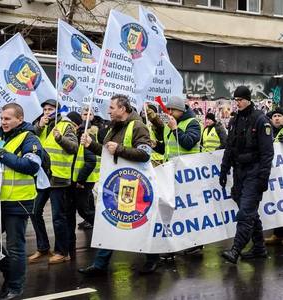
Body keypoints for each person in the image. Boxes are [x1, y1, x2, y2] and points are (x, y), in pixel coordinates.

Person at [78, 94, 160, 275]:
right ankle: (100, 265)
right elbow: (108, 152)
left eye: (112, 107)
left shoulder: (138, 126)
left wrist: (120, 149)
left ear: (123, 109)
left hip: (135, 185)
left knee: (138, 222)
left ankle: (153, 257)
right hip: (117, 184)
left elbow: (145, 154)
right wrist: (92, 145)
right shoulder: (113, 127)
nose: (108, 110)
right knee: (111, 222)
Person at [0, 103, 42, 299]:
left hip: (18, 202)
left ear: (20, 119)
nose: (3, 122)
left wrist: (1, 154)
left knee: (15, 247)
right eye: (2, 118)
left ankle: (15, 287)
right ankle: (11, 276)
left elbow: (30, 166)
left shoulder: (30, 138)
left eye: (8, 119)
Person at [219, 86, 274, 264]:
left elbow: (267, 153)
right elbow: (229, 147)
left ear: (248, 99)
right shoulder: (235, 121)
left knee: (245, 213)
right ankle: (259, 247)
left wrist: (263, 178)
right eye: (235, 100)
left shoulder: (260, 120)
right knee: (249, 212)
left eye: (240, 100)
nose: (238, 103)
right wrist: (224, 168)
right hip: (239, 172)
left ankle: (236, 249)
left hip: (254, 171)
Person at [147, 95, 202, 255]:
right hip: (170, 172)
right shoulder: (168, 124)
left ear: (181, 110)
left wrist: (175, 129)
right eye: (168, 109)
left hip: (187, 173)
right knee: (172, 209)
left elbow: (187, 142)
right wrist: (156, 145)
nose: (169, 112)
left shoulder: (192, 123)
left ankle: (196, 242)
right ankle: (173, 242)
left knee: (189, 210)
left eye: (172, 110)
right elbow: (168, 148)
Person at [28, 99, 78, 264]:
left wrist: (60, 139)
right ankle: (43, 247)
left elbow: (73, 148)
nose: (47, 112)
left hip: (59, 178)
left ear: (57, 110)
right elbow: (30, 141)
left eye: (50, 109)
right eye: (45, 109)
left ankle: (62, 252)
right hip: (42, 176)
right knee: (34, 211)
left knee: (58, 217)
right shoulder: (40, 124)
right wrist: (39, 126)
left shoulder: (65, 125)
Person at [65, 111, 96, 257]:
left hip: (84, 181)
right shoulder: (76, 136)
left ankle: (103, 230)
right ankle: (70, 244)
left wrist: (80, 180)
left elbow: (90, 161)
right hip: (77, 181)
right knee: (79, 209)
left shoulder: (81, 137)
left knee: (84, 210)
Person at [264, 107, 283, 245]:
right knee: (278, 203)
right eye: (274, 115)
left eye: (279, 116)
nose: (277, 118)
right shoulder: (268, 132)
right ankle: (278, 234)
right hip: (276, 176)